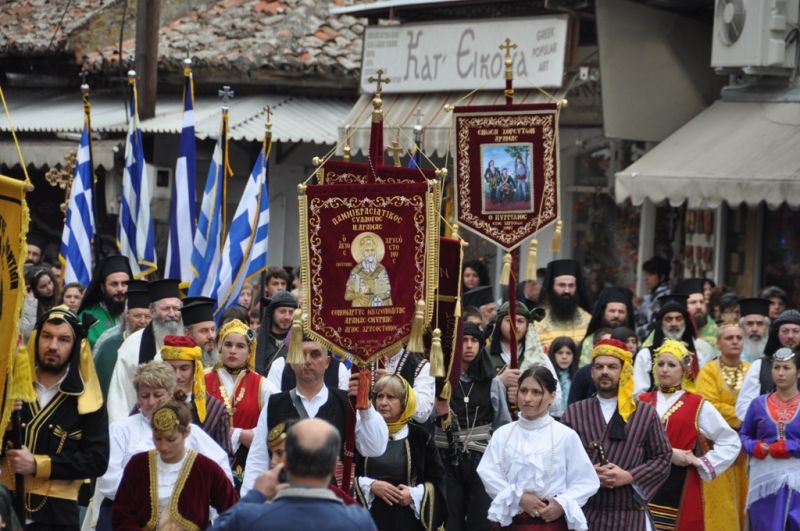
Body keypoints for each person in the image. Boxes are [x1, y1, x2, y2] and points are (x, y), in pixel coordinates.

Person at [0, 306, 110, 529]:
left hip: (58, 516)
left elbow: (97, 460)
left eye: (63, 340)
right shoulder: (10, 388)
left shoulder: (87, 400)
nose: (52, 346)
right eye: (47, 336)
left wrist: (37, 464)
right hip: (6, 508)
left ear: (75, 346)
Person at [241, 335, 389, 496]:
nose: (308, 360)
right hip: (283, 503)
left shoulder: (346, 404)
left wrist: (366, 408)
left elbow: (375, 448)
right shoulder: (274, 404)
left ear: (327, 362)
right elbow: (258, 460)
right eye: (302, 354)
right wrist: (252, 503)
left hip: (332, 503)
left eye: (315, 354)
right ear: (292, 362)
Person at [92, 361, 232, 530]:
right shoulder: (121, 430)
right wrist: (154, 500)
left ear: (171, 393)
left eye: (158, 395)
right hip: (129, 517)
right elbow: (109, 483)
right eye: (145, 396)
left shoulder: (191, 432)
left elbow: (222, 475)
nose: (151, 402)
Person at [561, 339, 672, 530]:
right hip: (586, 513)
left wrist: (629, 476)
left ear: (624, 371)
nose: (605, 371)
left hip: (630, 514)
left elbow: (663, 457)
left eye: (612, 366)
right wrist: (588, 473)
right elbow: (559, 460)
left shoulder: (645, 413)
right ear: (592, 371)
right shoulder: (574, 412)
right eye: (599, 366)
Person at [478, 366, 599, 530]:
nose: (528, 398)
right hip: (511, 522)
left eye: (536, 392)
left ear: (552, 396)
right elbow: (488, 472)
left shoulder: (565, 435)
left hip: (550, 522)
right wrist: (517, 497)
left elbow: (586, 480)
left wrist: (561, 504)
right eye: (523, 391)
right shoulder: (503, 434)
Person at [639, 339, 741, 531]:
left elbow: (730, 441)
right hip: (643, 478)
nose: (664, 369)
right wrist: (669, 453)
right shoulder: (642, 401)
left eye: (671, 364)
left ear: (684, 370)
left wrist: (702, 462)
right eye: (660, 364)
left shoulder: (697, 404)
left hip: (680, 482)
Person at [211, 419, 377, 531]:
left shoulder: (251, 517)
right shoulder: (359, 522)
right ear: (334, 465)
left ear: (286, 460)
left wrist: (254, 496)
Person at [112, 400, 239, 529]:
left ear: (186, 433)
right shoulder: (138, 465)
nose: (163, 447)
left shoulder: (206, 469)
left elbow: (234, 512)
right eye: (158, 438)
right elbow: (122, 514)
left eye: (171, 439)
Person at [434, 322, 510, 531]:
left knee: (480, 519)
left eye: (474, 340)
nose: (469, 345)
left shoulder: (492, 383)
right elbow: (424, 419)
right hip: (446, 458)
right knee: (450, 518)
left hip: (482, 459)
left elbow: (503, 424)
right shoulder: (440, 382)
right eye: (464, 340)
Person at [355, 375, 446, 530]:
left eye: (391, 397)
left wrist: (414, 495)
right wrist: (371, 486)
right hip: (368, 517)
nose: (383, 402)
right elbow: (346, 474)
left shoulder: (420, 437)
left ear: (405, 403)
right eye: (379, 396)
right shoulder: (361, 431)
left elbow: (437, 480)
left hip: (407, 518)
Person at [696, 322, 750, 531]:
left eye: (738, 337)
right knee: (720, 500)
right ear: (718, 343)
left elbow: (757, 405)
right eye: (729, 338)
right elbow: (708, 407)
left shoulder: (752, 370)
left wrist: (736, 412)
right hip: (717, 445)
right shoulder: (708, 372)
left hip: (747, 446)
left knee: (745, 498)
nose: (735, 341)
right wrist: (741, 412)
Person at [106, 278, 183, 422]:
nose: (172, 314)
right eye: (166, 309)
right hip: (140, 429)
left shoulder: (190, 343)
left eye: (176, 308)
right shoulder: (132, 345)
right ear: (152, 311)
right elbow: (119, 396)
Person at [740, 347, 800, 530]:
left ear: (798, 373)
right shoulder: (758, 404)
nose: (780, 373)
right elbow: (743, 435)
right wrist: (754, 446)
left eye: (786, 368)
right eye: (776, 368)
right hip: (763, 480)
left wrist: (789, 447)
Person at [205, 319, 271, 486]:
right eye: (228, 344)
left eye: (240, 346)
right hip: (209, 459)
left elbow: (274, 422)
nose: (233, 351)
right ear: (220, 347)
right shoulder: (203, 380)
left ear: (250, 352)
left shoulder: (262, 384)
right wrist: (239, 434)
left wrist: (253, 435)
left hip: (249, 464)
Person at [161, 335, 233, 456]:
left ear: (195, 369)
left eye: (184, 368)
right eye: (171, 369)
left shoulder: (214, 408)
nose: (177, 376)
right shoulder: (153, 403)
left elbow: (226, 455)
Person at [488, 301, 561, 417]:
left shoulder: (539, 357)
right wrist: (499, 382)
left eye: (520, 321)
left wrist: (525, 396)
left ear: (527, 325)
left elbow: (557, 404)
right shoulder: (484, 355)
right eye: (509, 320)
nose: (515, 326)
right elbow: (471, 399)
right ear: (499, 323)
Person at [633, 294, 715, 396]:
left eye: (679, 319)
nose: (674, 323)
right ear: (661, 323)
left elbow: (703, 392)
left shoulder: (697, 357)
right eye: (668, 319)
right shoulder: (645, 356)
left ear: (685, 322)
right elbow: (638, 395)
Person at [736, 309, 800, 421]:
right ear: (776, 334)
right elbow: (743, 407)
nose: (790, 336)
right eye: (785, 331)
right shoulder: (760, 365)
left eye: (795, 331)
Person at [93, 280, 151, 400]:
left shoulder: (159, 346)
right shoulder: (108, 347)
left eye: (148, 317)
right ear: (127, 316)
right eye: (137, 316)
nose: (143, 321)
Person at [535, 259, 592, 350]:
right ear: (551, 287)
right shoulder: (537, 320)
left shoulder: (587, 320)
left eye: (571, 285)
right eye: (562, 285)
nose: (567, 290)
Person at [78, 255, 132, 348]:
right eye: (114, 284)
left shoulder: (139, 314)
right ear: (103, 287)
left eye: (124, 284)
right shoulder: (88, 317)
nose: (120, 289)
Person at [580, 286, 634, 366]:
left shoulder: (633, 342)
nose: (616, 315)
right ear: (603, 312)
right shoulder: (590, 341)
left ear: (627, 315)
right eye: (612, 311)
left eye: (621, 312)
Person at [254, 290, 298, 376]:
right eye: (282, 311)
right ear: (272, 312)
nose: (287, 317)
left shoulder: (301, 342)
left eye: (291, 312)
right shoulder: (254, 340)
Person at [344, 233, 392, 307]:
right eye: (367, 250)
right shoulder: (356, 271)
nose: (370, 253)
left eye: (372, 250)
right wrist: (359, 294)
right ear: (363, 253)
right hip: (361, 308)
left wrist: (377, 292)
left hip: (379, 306)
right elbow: (347, 296)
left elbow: (387, 293)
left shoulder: (381, 269)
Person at [676, 278, 719, 351]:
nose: (699, 306)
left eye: (702, 302)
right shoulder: (671, 329)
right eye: (693, 302)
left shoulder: (718, 332)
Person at [635, 256, 671, 342]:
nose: (646, 278)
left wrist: (636, 331)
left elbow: (653, 327)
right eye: (646, 274)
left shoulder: (664, 297)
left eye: (650, 274)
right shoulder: (651, 295)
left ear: (661, 277)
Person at [181, 297, 219, 367]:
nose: (211, 336)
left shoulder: (223, 362)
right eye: (204, 331)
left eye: (213, 329)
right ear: (187, 334)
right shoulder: (180, 364)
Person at [549, 337, 579, 413]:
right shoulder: (548, 375)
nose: (564, 357)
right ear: (553, 354)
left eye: (568, 353)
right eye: (560, 353)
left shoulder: (579, 376)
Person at [738, 297, 771, 363]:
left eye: (760, 324)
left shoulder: (774, 355)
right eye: (750, 323)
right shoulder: (730, 355)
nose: (754, 329)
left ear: (767, 327)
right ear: (741, 327)